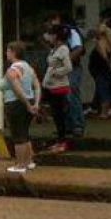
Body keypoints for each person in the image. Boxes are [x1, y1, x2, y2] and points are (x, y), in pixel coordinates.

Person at [1, 41, 41, 173]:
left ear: (13, 52)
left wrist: (27, 105)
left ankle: (20, 165)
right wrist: (35, 103)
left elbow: (17, 88)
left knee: (18, 136)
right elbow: (37, 86)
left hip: (15, 104)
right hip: (28, 101)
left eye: (8, 50)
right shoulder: (29, 68)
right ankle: (29, 162)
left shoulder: (13, 70)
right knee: (25, 133)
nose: (6, 53)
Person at [47, 14, 85, 138]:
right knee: (63, 97)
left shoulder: (71, 32)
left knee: (71, 93)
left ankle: (77, 125)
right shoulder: (57, 35)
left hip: (72, 68)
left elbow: (78, 49)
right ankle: (67, 126)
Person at [43, 25, 74, 153]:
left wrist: (56, 73)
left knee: (59, 115)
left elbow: (68, 67)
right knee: (56, 115)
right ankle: (59, 141)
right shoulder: (54, 49)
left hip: (58, 87)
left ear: (55, 36)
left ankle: (63, 142)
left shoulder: (63, 49)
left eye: (50, 34)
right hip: (51, 86)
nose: (48, 37)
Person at [90, 27, 111, 119]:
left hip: (100, 69)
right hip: (102, 69)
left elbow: (104, 56)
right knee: (103, 88)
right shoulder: (107, 42)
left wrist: (109, 65)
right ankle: (96, 107)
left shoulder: (101, 43)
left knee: (103, 89)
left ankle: (104, 112)